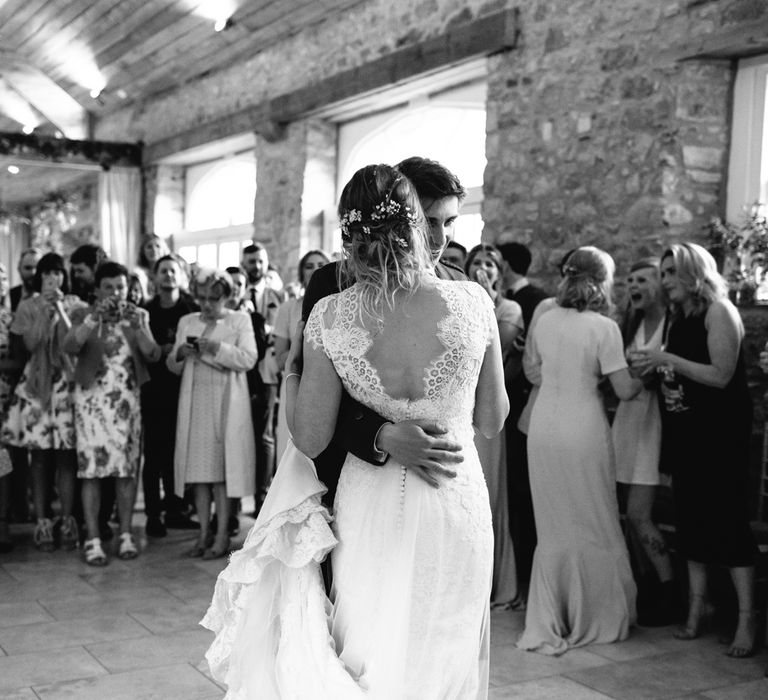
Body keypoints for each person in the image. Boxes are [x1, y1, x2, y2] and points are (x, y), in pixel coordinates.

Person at [203, 163, 508, 698]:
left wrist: (295, 368)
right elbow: (490, 419)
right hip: (456, 500)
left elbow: (311, 437)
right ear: (414, 223)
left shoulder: (329, 316)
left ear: (349, 236)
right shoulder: (476, 304)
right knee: (446, 647)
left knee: (367, 650)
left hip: (372, 502)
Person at [300, 156, 468, 513]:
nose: (440, 238)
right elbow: (314, 390)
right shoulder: (331, 284)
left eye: (450, 222)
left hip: (446, 480)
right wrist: (380, 434)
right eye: (429, 222)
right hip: (357, 475)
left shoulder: (463, 286)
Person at [632, 242, 757, 658]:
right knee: (692, 523)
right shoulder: (679, 315)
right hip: (687, 433)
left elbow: (721, 375)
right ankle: (695, 612)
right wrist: (657, 369)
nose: (665, 281)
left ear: (693, 272)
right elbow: (684, 370)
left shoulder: (720, 311)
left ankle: (745, 620)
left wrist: (666, 357)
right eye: (663, 273)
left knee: (729, 524)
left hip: (721, 436)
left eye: (670, 273)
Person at [517, 246, 641, 655]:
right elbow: (624, 389)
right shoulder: (604, 328)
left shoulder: (546, 318)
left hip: (544, 428)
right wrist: (647, 371)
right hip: (583, 426)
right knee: (596, 517)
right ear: (602, 281)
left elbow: (533, 370)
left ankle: (554, 615)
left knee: (552, 524)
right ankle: (597, 615)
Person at [64, 262, 160, 566]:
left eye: (120, 287)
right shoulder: (83, 314)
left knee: (126, 471)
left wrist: (139, 327)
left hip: (127, 406)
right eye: (109, 287)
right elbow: (69, 345)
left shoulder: (138, 316)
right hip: (91, 405)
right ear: (97, 290)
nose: (116, 293)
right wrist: (93, 319)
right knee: (91, 472)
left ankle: (126, 534)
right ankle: (92, 538)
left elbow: (153, 354)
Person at [167, 268, 257, 559]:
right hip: (196, 402)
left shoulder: (239, 320)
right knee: (199, 474)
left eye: (214, 298)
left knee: (221, 475)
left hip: (225, 402)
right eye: (203, 298)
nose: (207, 304)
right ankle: (202, 534)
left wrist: (217, 347)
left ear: (227, 297)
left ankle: (221, 535)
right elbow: (173, 365)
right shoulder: (187, 321)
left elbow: (249, 358)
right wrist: (180, 353)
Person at [2, 253, 87, 552]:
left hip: (65, 384)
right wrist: (43, 310)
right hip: (37, 385)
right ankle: (41, 521)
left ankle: (67, 519)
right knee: (38, 459)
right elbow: (29, 344)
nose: (54, 278)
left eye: (58, 272)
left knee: (66, 457)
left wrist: (61, 308)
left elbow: (72, 342)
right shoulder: (27, 305)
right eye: (48, 273)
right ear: (40, 276)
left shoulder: (76, 304)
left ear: (65, 276)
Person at [611, 258, 677, 627]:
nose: (633, 286)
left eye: (642, 279)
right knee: (627, 515)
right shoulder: (629, 324)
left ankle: (669, 589)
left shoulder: (673, 323)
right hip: (627, 420)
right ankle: (647, 584)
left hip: (656, 424)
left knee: (639, 514)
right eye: (629, 280)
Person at [465, 243, 523, 608]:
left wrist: (483, 301)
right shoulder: (455, 300)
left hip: (487, 407)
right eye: (477, 262)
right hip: (458, 408)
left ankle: (490, 583)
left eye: (490, 263)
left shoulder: (509, 308)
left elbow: (492, 345)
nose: (483, 267)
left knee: (486, 490)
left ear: (501, 272)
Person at [497, 241, 548, 586]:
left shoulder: (533, 300)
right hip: (507, 402)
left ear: (509, 266)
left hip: (519, 400)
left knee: (521, 489)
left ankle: (525, 573)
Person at [142, 255, 200, 537]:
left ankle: (177, 509)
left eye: (172, 271)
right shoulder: (146, 310)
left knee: (180, 452)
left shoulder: (191, 309)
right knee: (154, 454)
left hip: (185, 389)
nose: (168, 276)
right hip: (153, 390)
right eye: (162, 271)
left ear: (181, 276)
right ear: (155, 277)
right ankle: (154, 514)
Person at [273, 249, 331, 460]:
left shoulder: (339, 306)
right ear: (301, 273)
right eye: (309, 266)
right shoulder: (288, 309)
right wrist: (307, 349)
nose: (316, 270)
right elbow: (280, 358)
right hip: (295, 382)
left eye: (321, 265)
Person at [242, 243, 284, 512]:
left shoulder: (275, 293)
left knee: (265, 435)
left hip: (266, 371)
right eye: (250, 262)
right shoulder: (236, 291)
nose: (255, 266)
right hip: (241, 371)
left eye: (259, 261)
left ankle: (262, 496)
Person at [0, 262, 22, 552]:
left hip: (3, 402)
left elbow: (20, 360)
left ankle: (2, 522)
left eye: (2, 278)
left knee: (1, 464)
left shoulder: (10, 318)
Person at [135, 233, 171, 300]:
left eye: (158, 246)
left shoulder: (171, 272)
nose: (154, 250)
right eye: (149, 247)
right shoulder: (138, 275)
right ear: (143, 251)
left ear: (164, 250)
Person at [10, 247, 41, 312]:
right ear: (19, 269)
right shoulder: (10, 296)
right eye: (28, 268)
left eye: (38, 268)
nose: (33, 273)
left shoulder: (51, 298)